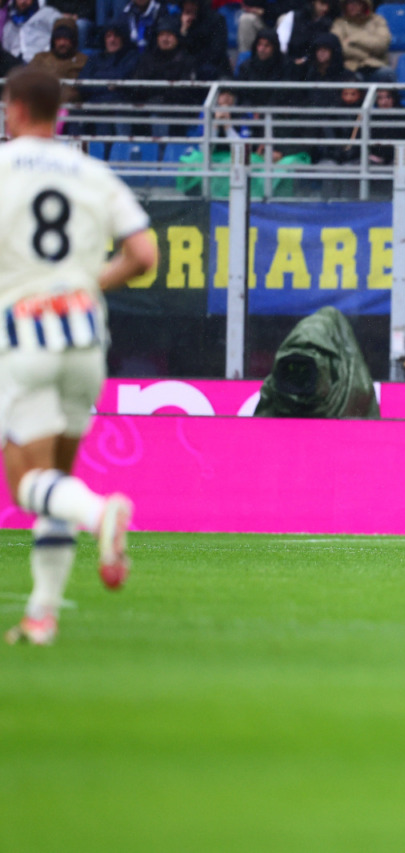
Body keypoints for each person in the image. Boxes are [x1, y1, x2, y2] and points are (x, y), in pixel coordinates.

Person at [0, 67, 157, 646]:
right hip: (86, 336)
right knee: (57, 480)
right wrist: (91, 282)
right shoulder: (93, 172)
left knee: (27, 483)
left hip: (24, 337)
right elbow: (143, 254)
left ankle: (101, 515)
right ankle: (42, 614)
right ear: (60, 112)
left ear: (13, 109)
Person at [330, 0, 392, 83]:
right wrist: (365, 54)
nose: (352, 6)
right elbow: (338, 47)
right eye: (349, 3)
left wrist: (354, 39)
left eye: (357, 3)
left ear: (365, 5)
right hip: (351, 67)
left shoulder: (378, 21)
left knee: (387, 74)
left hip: (376, 66)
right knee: (349, 78)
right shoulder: (339, 23)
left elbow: (382, 45)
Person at [28, 17, 85, 102]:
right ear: (53, 40)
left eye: (66, 38)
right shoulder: (40, 58)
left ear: (73, 39)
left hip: (68, 109)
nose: (62, 43)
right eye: (58, 38)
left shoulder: (83, 60)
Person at [176, 0, 230, 80]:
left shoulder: (216, 19)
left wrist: (193, 62)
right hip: (184, 65)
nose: (189, 7)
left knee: (207, 71)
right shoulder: (176, 20)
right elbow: (174, 50)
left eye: (192, 3)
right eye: (186, 3)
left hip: (211, 66)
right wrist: (183, 30)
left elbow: (217, 50)